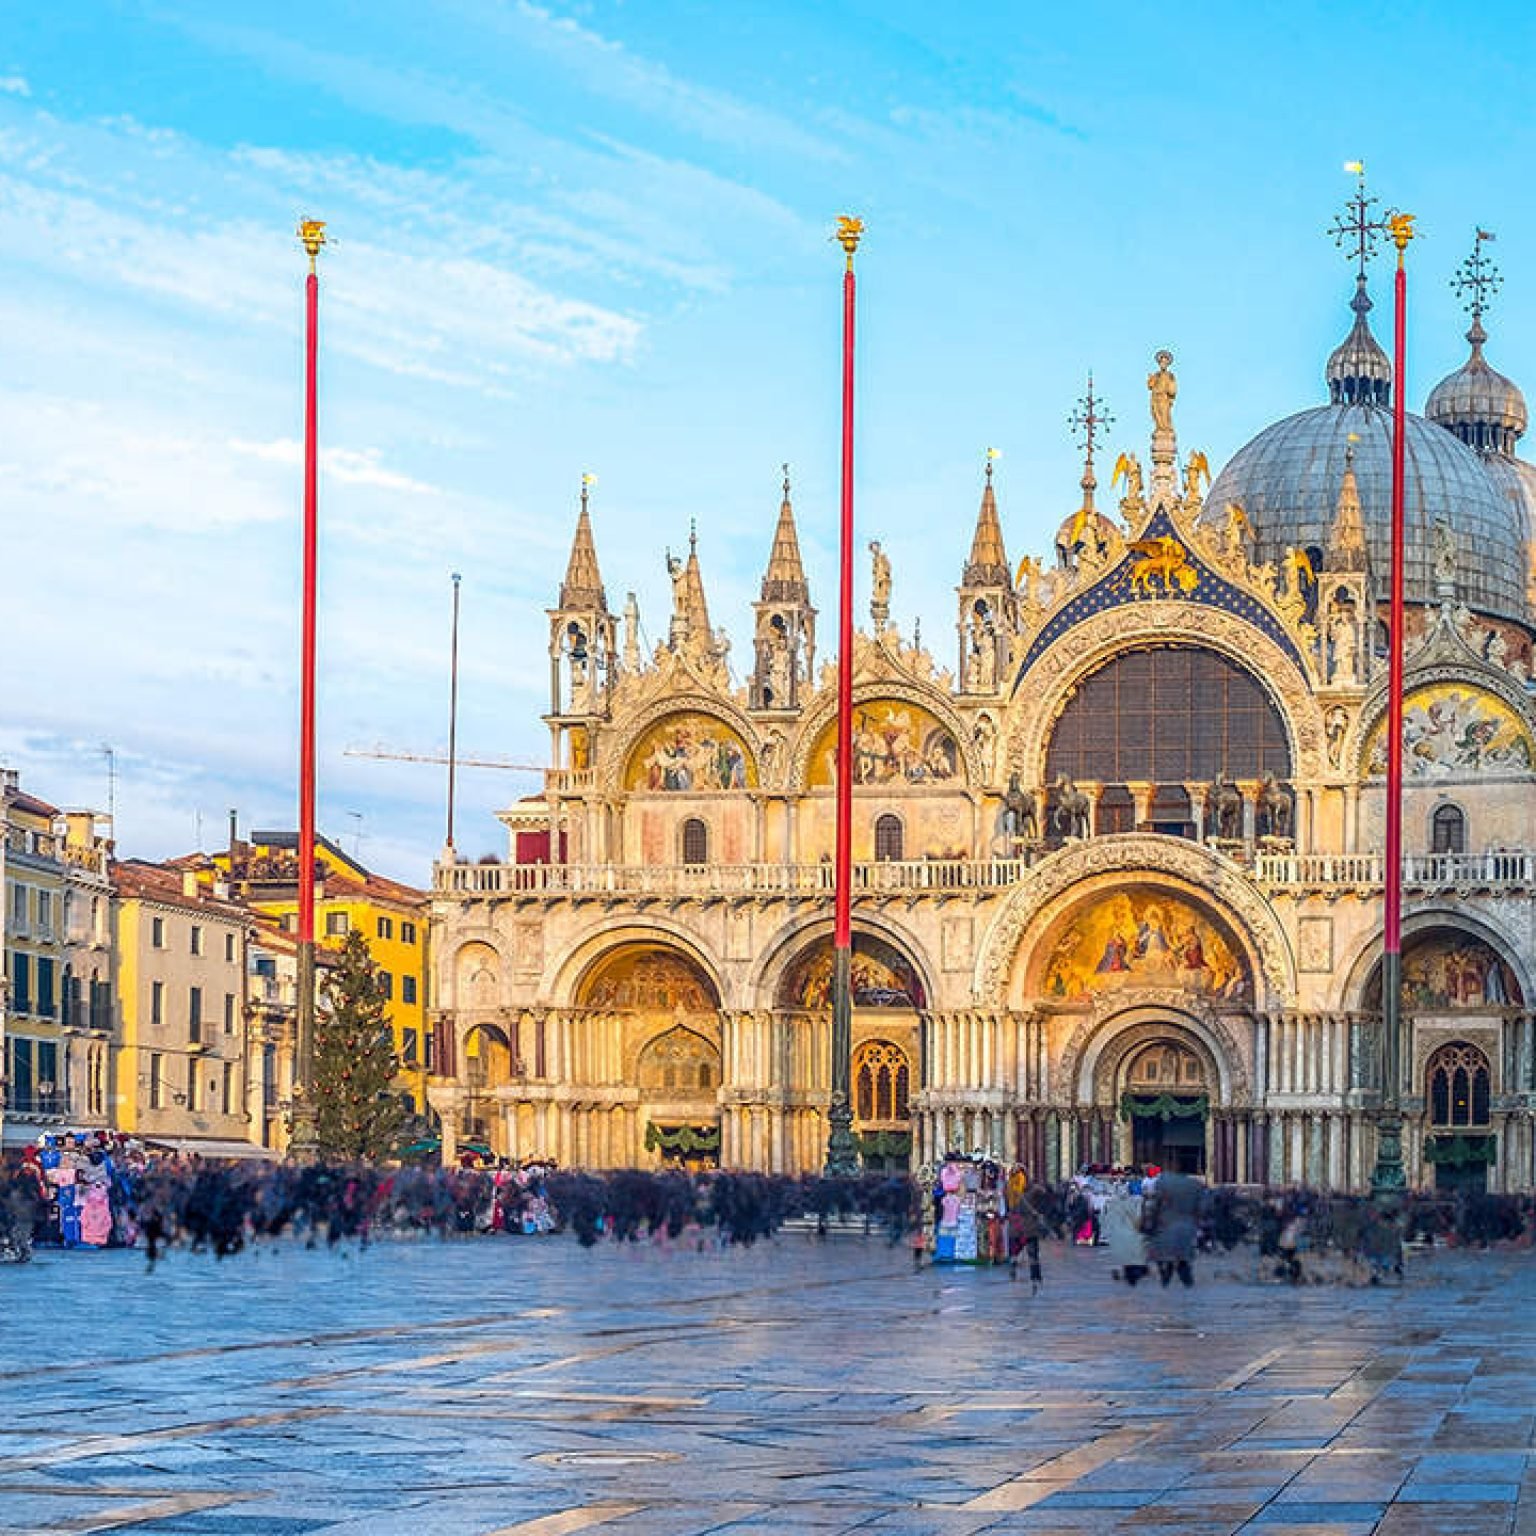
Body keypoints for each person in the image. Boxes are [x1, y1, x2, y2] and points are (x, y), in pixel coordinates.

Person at [1142, 1168, 1203, 1287]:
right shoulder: (1194, 1187)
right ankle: (1187, 1287)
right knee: (1181, 1261)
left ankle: (1168, 1285)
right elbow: (1199, 1211)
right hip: (1186, 1229)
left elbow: (1155, 1209)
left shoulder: (1163, 1186)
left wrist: (1148, 1226)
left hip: (1167, 1229)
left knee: (1167, 1260)